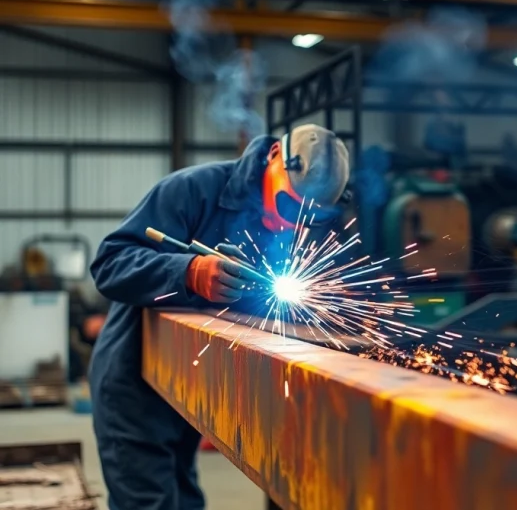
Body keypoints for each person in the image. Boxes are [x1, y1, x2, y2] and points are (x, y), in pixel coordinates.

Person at [89, 124, 351, 510]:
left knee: (185, 500)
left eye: (306, 218)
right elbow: (109, 263)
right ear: (275, 158)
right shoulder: (195, 189)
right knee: (148, 503)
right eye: (290, 206)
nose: (293, 224)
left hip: (187, 389)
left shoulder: (298, 221)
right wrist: (189, 272)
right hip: (133, 386)